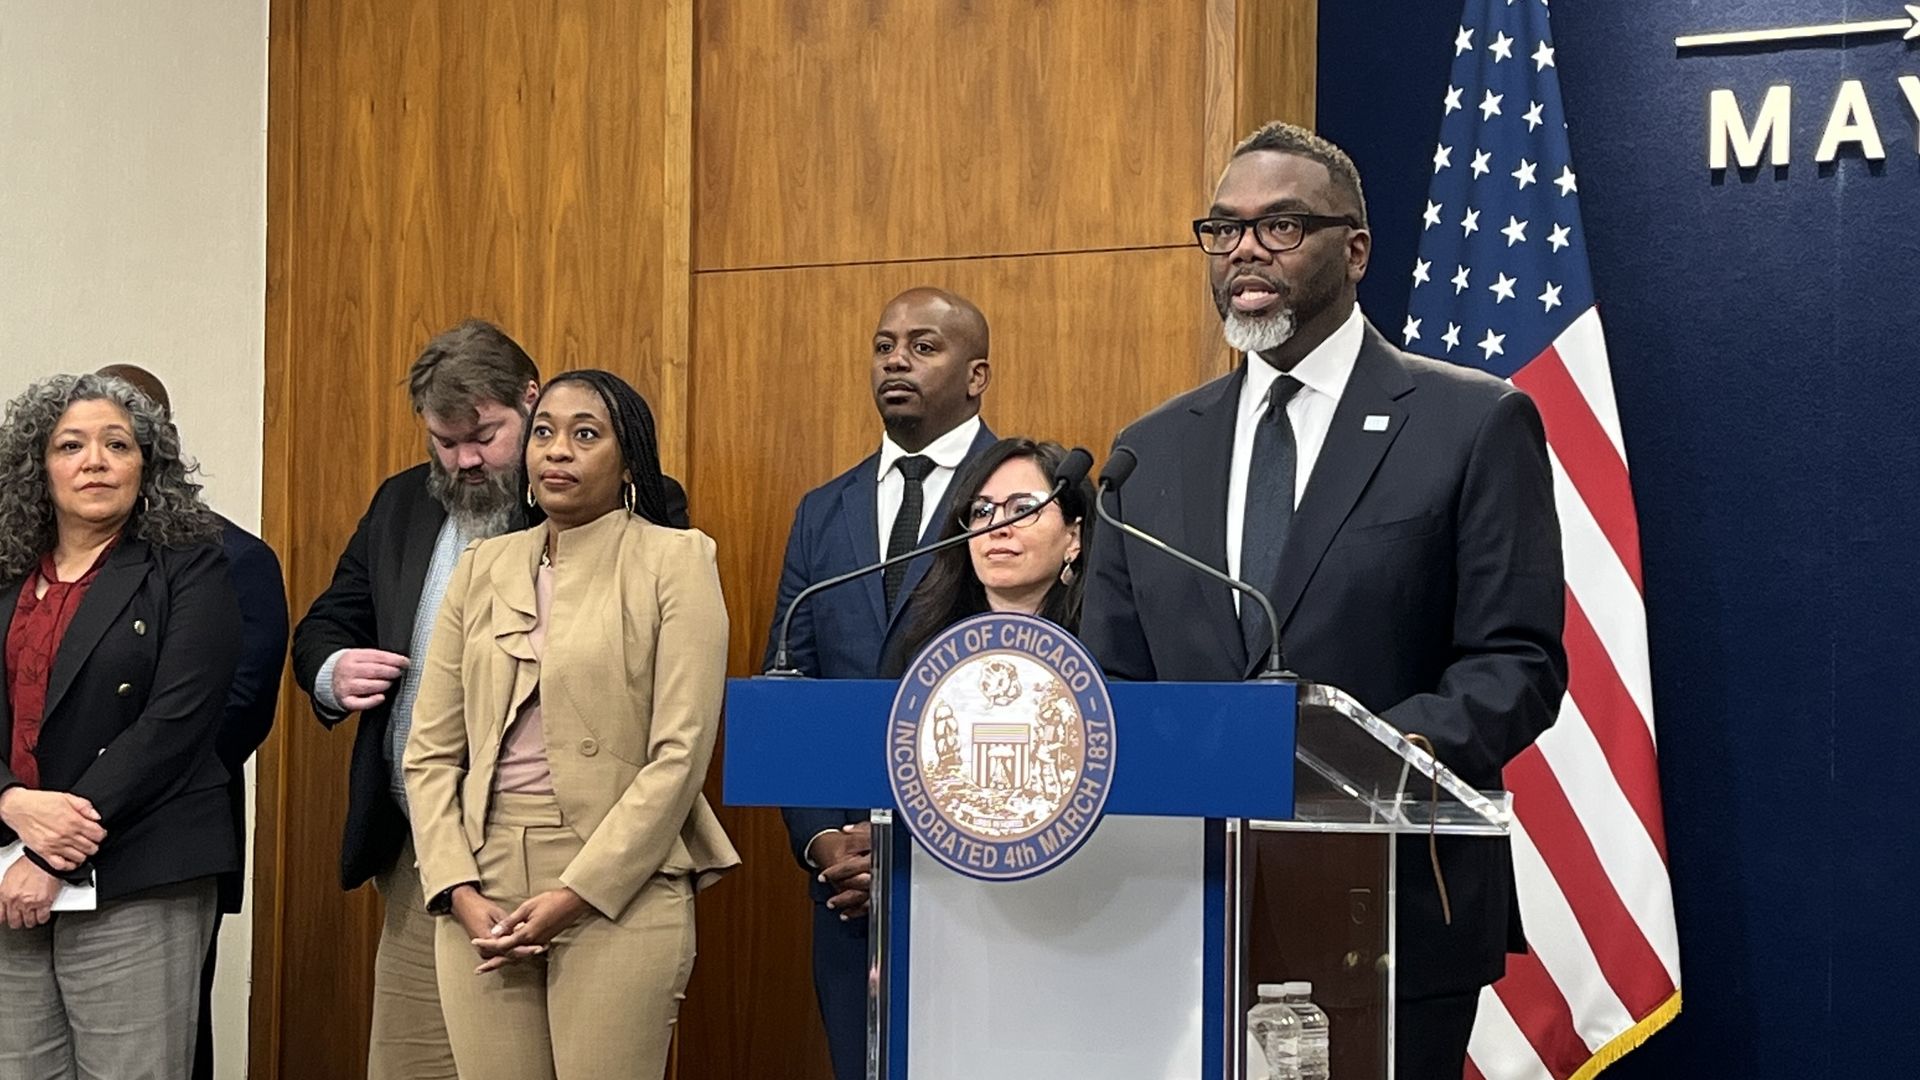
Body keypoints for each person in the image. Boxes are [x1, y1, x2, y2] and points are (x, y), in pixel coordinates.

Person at [1080, 121, 1568, 1080]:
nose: (1245, 251)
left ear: (1355, 250)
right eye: (1222, 230)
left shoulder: (1472, 421)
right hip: (1183, 906)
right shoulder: (1150, 449)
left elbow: (1517, 662)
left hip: (1386, 907)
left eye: (1281, 226)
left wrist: (1349, 769)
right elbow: (1114, 677)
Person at [291, 321, 689, 1078]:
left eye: (484, 435)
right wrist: (334, 668)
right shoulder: (402, 502)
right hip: (428, 852)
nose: (465, 459)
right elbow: (328, 619)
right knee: (408, 1064)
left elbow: (661, 709)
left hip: (578, 851)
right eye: (445, 441)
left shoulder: (611, 513)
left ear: (530, 402)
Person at [405, 370, 738, 1080]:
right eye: (546, 432)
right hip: (482, 879)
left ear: (627, 463)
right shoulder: (483, 566)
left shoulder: (677, 560)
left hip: (618, 880)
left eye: (586, 434)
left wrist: (573, 895)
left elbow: (679, 756)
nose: (558, 450)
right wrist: (458, 888)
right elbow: (430, 750)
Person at [766, 286, 996, 1080]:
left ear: (977, 375)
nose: (897, 359)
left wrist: (927, 846)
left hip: (981, 879)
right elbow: (789, 688)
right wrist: (825, 842)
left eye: (924, 346)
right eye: (884, 345)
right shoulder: (821, 511)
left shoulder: (1022, 501)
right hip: (848, 892)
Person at [0, 373, 243, 1079]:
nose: (95, 461)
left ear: (149, 464)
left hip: (139, 866)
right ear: (37, 466)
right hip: (7, 863)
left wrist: (54, 852)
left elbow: (177, 722)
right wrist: (12, 805)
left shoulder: (192, 564)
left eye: (117, 444)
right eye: (70, 445)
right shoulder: (8, 571)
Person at [97, 363, 290, 1080]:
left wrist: (103, 800)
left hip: (162, 847)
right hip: (36, 845)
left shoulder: (233, 559)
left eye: (121, 440)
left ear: (162, 445)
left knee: (164, 1055)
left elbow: (233, 715)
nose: (98, 460)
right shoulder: (34, 560)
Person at [880, 437, 1094, 676]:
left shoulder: (1104, 645)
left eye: (1023, 509)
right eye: (982, 511)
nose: (997, 526)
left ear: (1073, 537)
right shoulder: (923, 647)